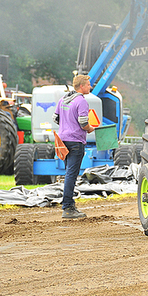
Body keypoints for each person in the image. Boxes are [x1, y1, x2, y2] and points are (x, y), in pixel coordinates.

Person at [53, 74, 95, 219]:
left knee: (68, 173)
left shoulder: (63, 99)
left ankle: (68, 204)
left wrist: (67, 126)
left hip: (63, 140)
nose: (90, 86)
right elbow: (83, 123)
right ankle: (68, 207)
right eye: (88, 84)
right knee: (71, 174)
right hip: (76, 141)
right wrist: (90, 128)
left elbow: (55, 118)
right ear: (82, 86)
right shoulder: (81, 101)